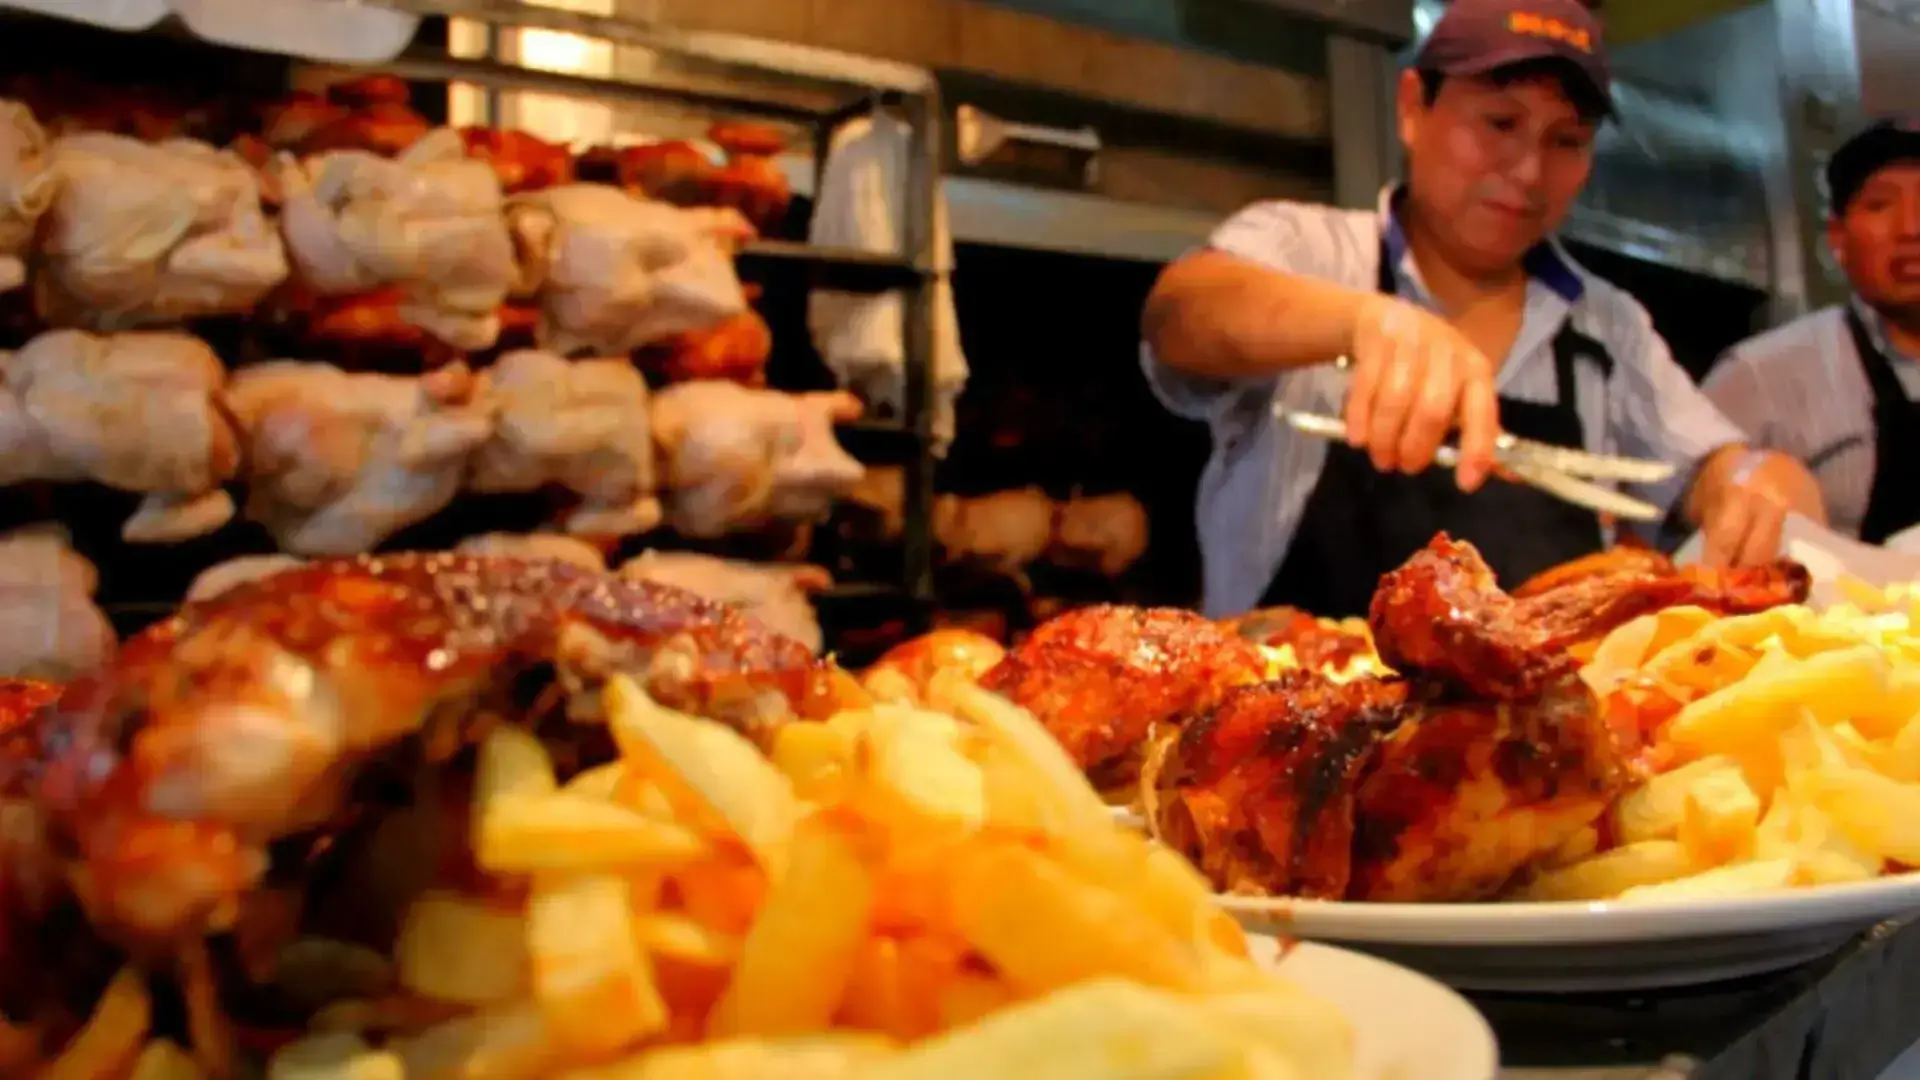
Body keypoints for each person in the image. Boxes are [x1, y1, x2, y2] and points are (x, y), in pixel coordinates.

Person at [1139, 0, 1824, 619]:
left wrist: (1753, 480)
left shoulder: (1606, 325)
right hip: (1288, 720)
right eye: (1500, 122)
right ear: (1413, 107)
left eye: (1566, 141)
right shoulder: (1307, 247)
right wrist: (1366, 320)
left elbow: (1708, 465)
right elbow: (1181, 313)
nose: (1528, 171)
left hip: (1529, 739)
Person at [1703, 120, 1920, 544]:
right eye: (1880, 206)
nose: (1911, 229)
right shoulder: (1758, 374)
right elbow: (1671, 531)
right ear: (1838, 239)